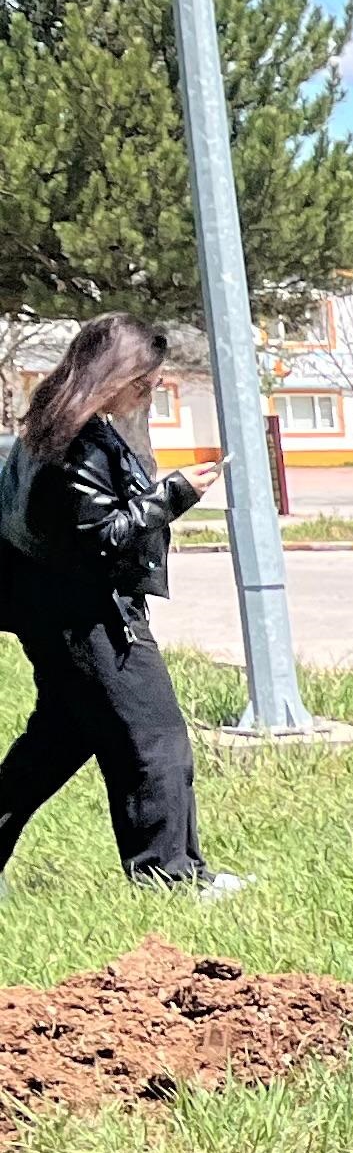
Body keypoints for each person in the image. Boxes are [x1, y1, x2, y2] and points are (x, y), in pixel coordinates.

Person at [0, 313, 237, 898]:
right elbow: (102, 535)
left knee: (59, 739)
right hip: (92, 619)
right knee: (154, 739)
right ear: (117, 375)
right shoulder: (78, 439)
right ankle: (170, 876)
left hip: (56, 613)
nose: (149, 391)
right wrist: (177, 493)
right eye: (145, 380)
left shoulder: (49, 428)